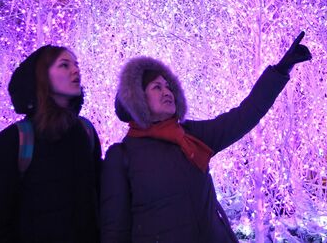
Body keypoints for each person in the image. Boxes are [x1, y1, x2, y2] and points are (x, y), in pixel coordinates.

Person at [101, 32, 312, 242]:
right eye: (157, 87)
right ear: (138, 98)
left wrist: (280, 71)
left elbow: (244, 116)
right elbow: (115, 232)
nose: (167, 92)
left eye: (168, 86)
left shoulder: (190, 136)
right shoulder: (122, 156)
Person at [0, 45, 101, 243]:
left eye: (76, 65)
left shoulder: (86, 132)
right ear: (42, 76)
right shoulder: (15, 139)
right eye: (64, 65)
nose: (76, 70)